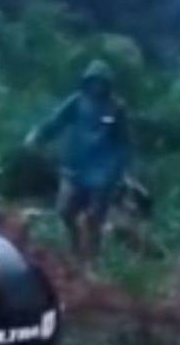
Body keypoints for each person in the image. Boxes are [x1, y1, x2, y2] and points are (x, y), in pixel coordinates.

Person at [25, 60, 131, 260]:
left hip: (102, 173)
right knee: (64, 211)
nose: (97, 86)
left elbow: (123, 144)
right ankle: (75, 247)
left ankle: (92, 260)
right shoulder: (77, 102)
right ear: (87, 82)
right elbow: (56, 121)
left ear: (108, 84)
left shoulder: (116, 107)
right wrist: (38, 135)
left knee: (94, 219)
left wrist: (117, 172)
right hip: (75, 168)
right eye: (94, 81)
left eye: (101, 82)